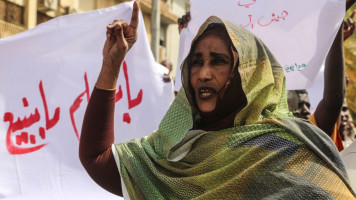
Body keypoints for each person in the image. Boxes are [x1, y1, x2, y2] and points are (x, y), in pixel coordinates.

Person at [79, 1, 355, 198]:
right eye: (196, 62)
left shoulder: (289, 146)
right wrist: (111, 64)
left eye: (219, 61)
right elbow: (96, 158)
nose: (203, 73)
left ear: (247, 75)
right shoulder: (172, 156)